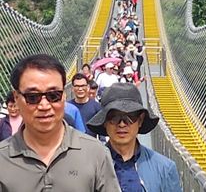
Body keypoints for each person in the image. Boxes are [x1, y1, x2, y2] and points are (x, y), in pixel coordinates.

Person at [0, 53, 120, 191]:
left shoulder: (96, 153)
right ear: (16, 98)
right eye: (32, 97)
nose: (44, 106)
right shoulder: (2, 159)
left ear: (63, 96)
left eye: (53, 96)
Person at [87, 83, 182, 191]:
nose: (122, 124)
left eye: (130, 117)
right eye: (114, 117)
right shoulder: (87, 169)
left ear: (140, 120)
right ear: (104, 121)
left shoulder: (165, 169)